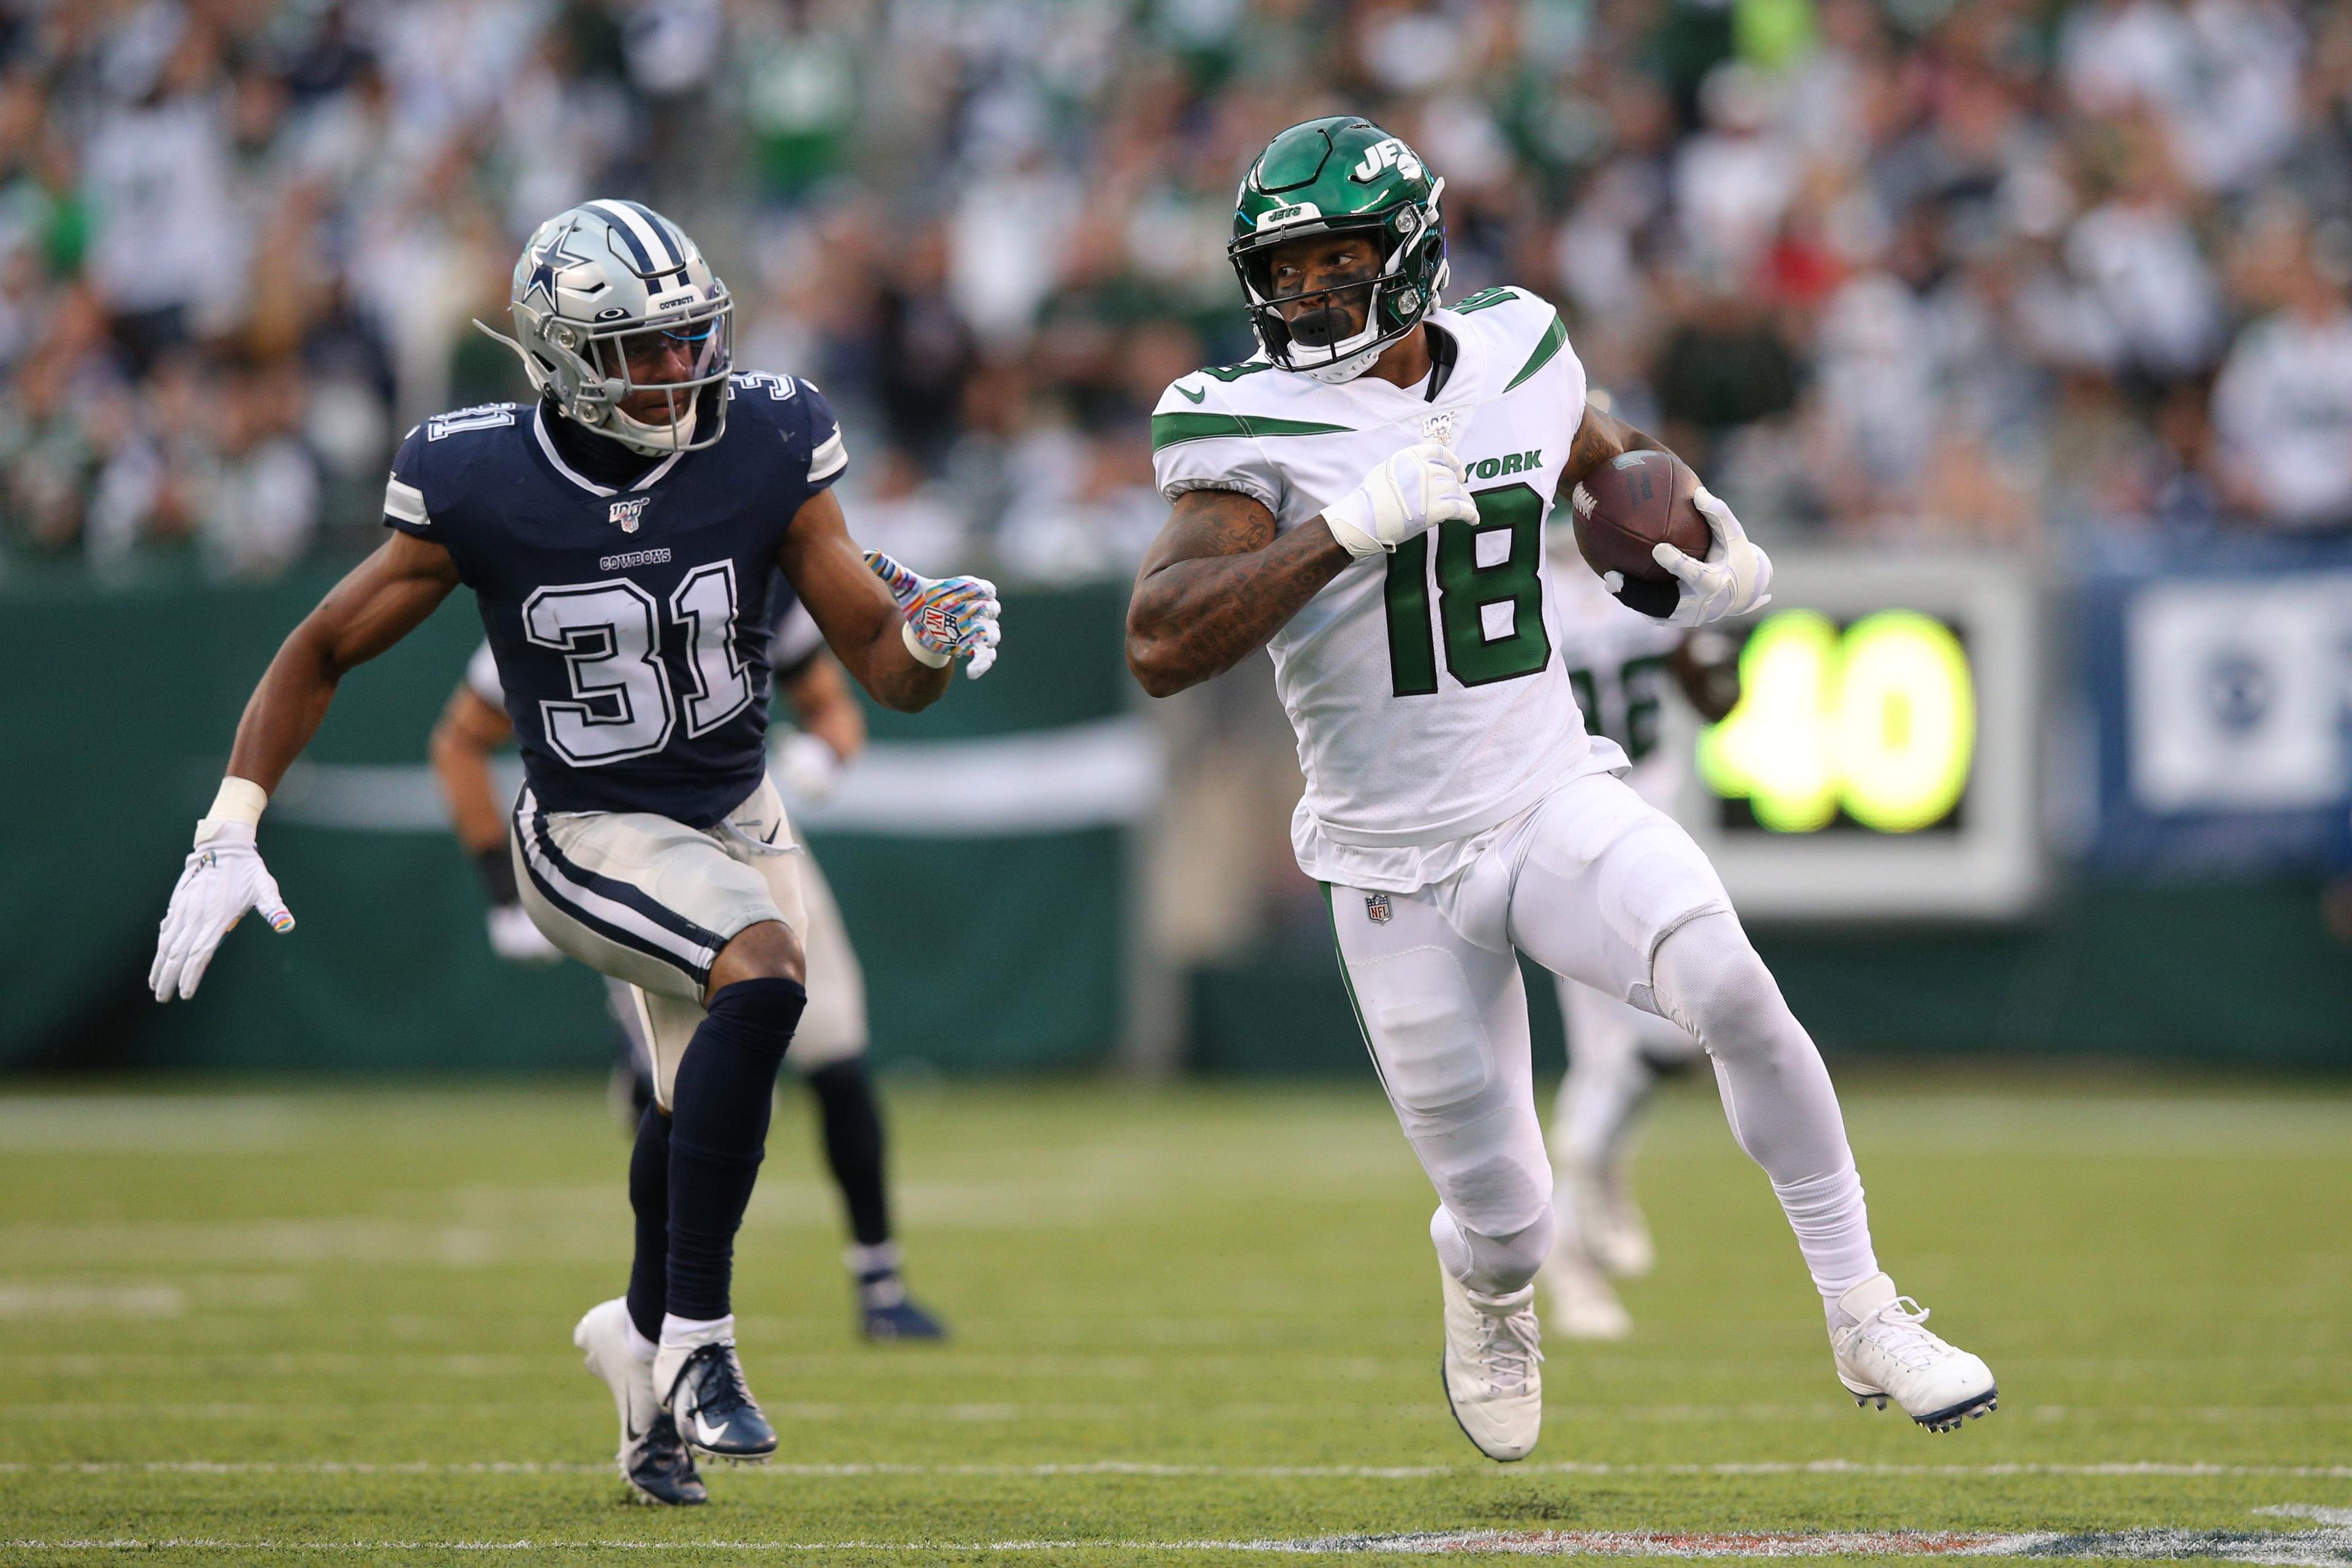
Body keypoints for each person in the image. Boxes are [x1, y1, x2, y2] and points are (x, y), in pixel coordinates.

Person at [1124, 119, 1994, 1464]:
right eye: (1285, 271)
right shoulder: (1243, 420)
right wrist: (1341, 532)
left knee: (1732, 982)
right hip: (1388, 863)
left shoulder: (1519, 345)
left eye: (1337, 259)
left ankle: (1864, 1306)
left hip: (1545, 792)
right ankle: (1486, 1282)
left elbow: (1604, 454)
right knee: (1511, 1215)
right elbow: (1162, 639)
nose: (1306, 296)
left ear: (1409, 255)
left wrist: (1703, 532)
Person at [147, 200, 1000, 1506]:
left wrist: (928, 647)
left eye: (688, 339)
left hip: (738, 814)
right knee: (766, 975)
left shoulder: (769, 435)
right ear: (557, 355)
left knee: (691, 1099)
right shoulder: (480, 476)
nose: (678, 371)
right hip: (588, 829)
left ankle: (641, 1367)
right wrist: (230, 824)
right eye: (642, 351)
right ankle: (707, 1347)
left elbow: (883, 669)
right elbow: (322, 644)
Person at [428, 600, 949, 1344]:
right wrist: (499, 888)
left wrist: (830, 749)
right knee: (677, 1095)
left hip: (747, 822)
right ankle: (669, 1324)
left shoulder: (761, 542)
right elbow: (461, 740)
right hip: (621, 837)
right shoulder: (559, 560)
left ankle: (878, 1283)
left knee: (835, 1049)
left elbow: (837, 703)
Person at [1535, 545, 1741, 1341]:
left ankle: (1597, 1165)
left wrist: (1703, 625)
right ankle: (1575, 1266)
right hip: (1573, 831)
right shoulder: (1525, 581)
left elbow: (1716, 693)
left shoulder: (1624, 577)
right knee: (1641, 1045)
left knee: (1662, 1039)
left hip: (1646, 832)